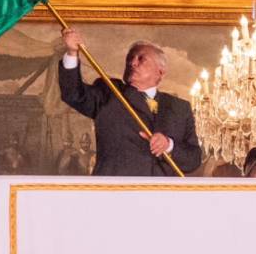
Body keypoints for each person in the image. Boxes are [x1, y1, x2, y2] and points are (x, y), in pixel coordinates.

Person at [58, 28, 202, 176]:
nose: (132, 63)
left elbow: (193, 159)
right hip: (116, 193)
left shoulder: (180, 107)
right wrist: (71, 53)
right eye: (130, 58)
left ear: (161, 71)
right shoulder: (109, 91)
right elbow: (73, 94)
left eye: (141, 59)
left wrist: (169, 145)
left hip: (163, 195)